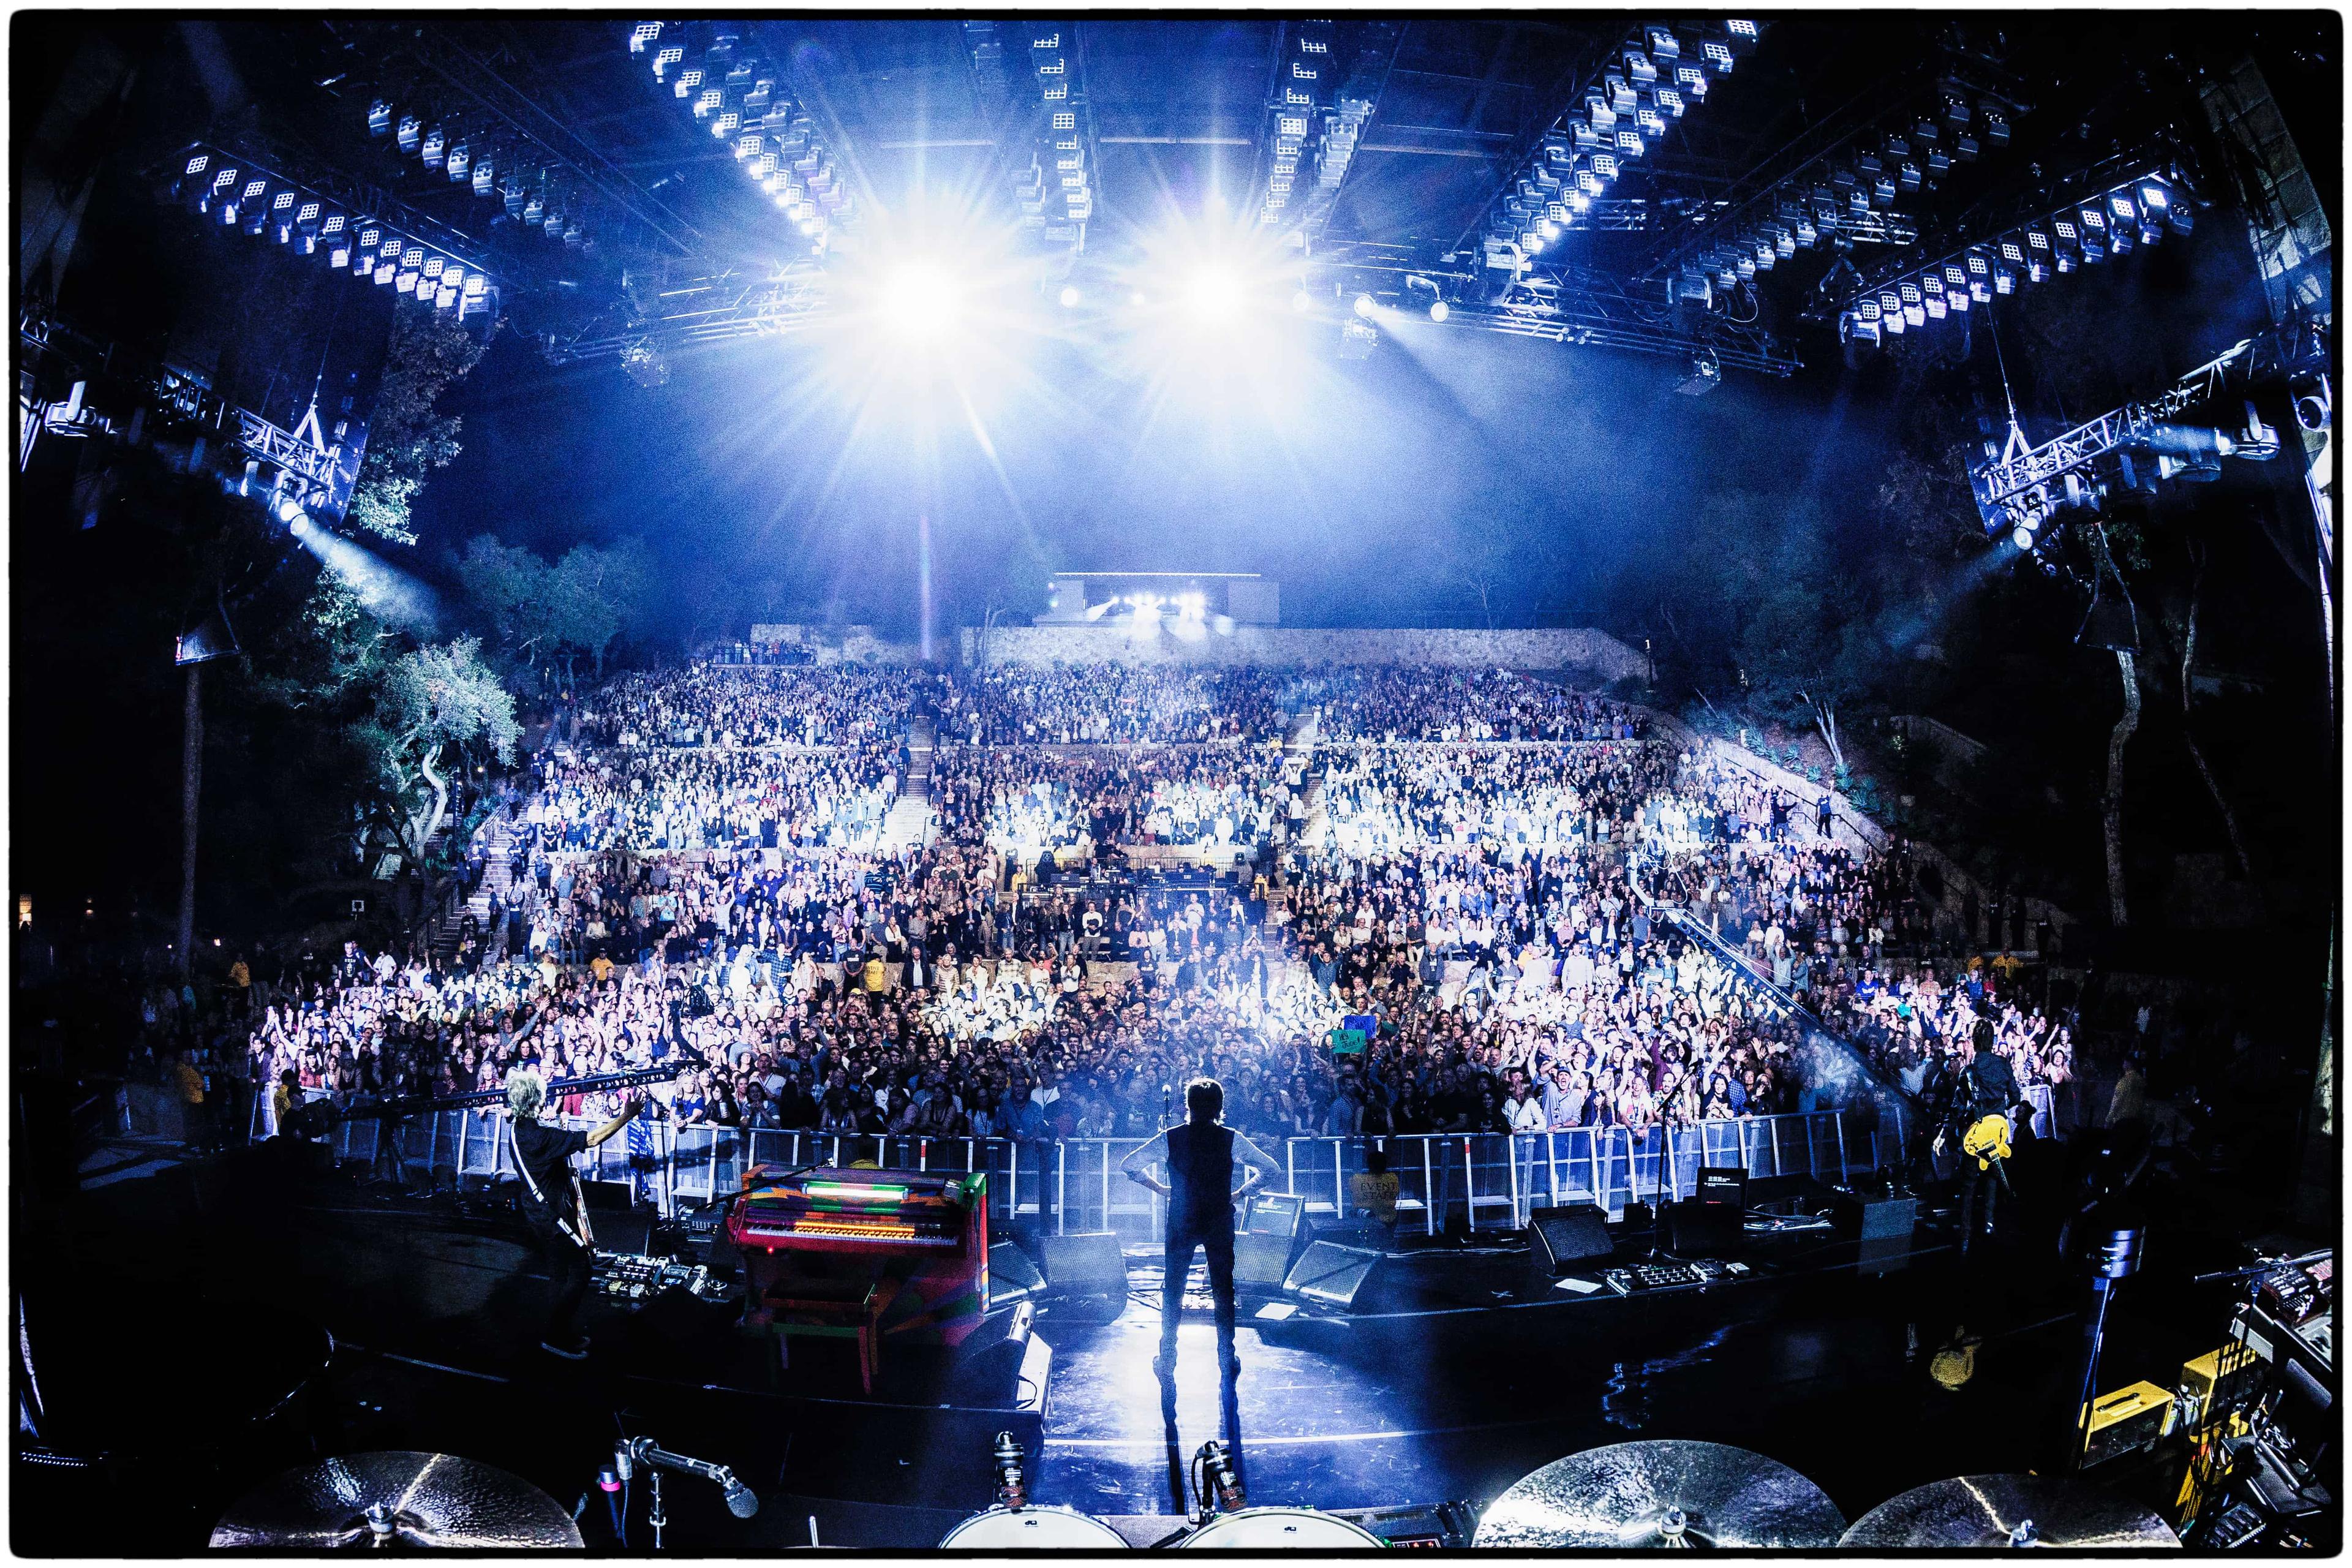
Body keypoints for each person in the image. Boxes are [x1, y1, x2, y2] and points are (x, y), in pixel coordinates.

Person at [1119, 1077, 1281, 1387]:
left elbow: (1129, 1165)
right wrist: (1240, 1193)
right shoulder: (1232, 1139)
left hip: (1182, 1218)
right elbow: (1271, 1169)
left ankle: (1168, 1358)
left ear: (1188, 1105)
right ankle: (1226, 1357)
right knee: (1223, 1288)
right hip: (1219, 1217)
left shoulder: (1170, 1138)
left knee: (1174, 1288)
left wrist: (1161, 1189)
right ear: (1220, 1107)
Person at [506, 1069, 641, 1360]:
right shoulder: (542, 1137)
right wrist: (626, 1116)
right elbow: (592, 1139)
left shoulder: (517, 1130)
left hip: (536, 1211)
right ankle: (555, 1336)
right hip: (552, 1216)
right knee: (582, 1269)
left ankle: (557, 1330)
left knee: (559, 1272)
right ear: (536, 1100)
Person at [1948, 1020, 2021, 1257]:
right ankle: (1988, 1224)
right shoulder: (2003, 1065)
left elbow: (1958, 1107)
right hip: (1997, 1130)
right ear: (1992, 1041)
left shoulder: (1969, 1071)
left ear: (1974, 1042)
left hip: (1977, 1133)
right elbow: (2016, 1097)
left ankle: (1965, 1236)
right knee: (1992, 1177)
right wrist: (1999, 1109)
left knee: (1969, 1184)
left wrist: (1951, 1128)